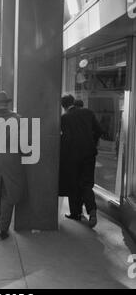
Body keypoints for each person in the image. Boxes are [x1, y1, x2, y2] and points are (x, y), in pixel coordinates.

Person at [0, 92, 26, 240]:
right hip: (12, 160)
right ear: (7, 103)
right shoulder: (17, 119)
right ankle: (2, 228)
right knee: (9, 193)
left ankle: (0, 220)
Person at [59, 95, 102, 228]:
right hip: (89, 155)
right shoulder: (88, 112)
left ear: (63, 106)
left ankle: (75, 213)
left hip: (72, 157)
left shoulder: (64, 118)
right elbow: (99, 131)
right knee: (86, 184)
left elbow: (65, 139)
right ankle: (92, 211)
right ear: (73, 102)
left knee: (74, 184)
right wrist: (91, 143)